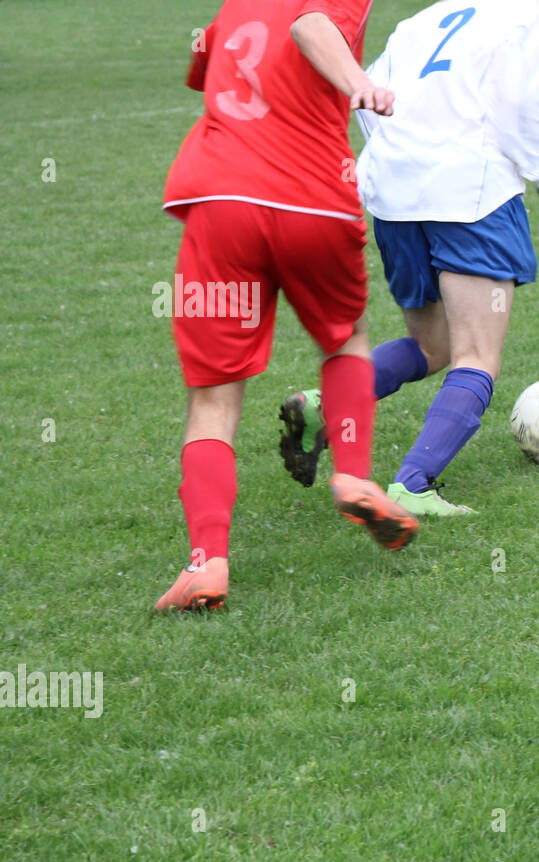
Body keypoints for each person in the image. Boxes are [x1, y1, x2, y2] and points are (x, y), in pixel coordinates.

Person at [156, 0, 418, 613]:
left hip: (221, 203)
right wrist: (360, 83)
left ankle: (207, 564)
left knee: (215, 399)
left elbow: (209, 64)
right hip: (313, 202)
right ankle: (352, 475)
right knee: (346, 339)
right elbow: (309, 25)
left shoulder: (230, 8)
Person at [277, 0, 539, 517]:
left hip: (394, 195)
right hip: (470, 193)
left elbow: (367, 91)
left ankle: (329, 400)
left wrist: (392, 166)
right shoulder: (535, 15)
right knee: (476, 354)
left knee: (431, 344)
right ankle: (413, 484)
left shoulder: (424, 18)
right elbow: (517, 109)